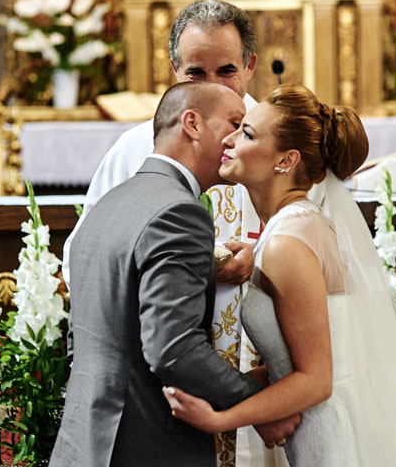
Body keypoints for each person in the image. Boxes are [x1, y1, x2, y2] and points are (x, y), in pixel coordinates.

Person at [164, 85, 396, 466]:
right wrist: (220, 388)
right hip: (327, 425)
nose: (230, 139)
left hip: (335, 438)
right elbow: (297, 356)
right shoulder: (296, 227)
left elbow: (316, 379)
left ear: (286, 160)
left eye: (247, 133)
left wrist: (221, 419)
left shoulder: (288, 244)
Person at [49, 82, 299, 467]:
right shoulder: (179, 212)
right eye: (234, 123)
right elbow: (173, 348)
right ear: (192, 124)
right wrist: (260, 406)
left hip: (85, 439)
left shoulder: (108, 204)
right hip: (146, 444)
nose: (237, 140)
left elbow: (83, 336)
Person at [64, 0, 262, 465]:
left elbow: (313, 234)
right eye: (196, 73)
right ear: (174, 68)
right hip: (158, 403)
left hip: (248, 351)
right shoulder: (134, 149)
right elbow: (88, 265)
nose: (211, 86)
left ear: (250, 66)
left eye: (226, 70)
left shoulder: (277, 138)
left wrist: (265, 257)